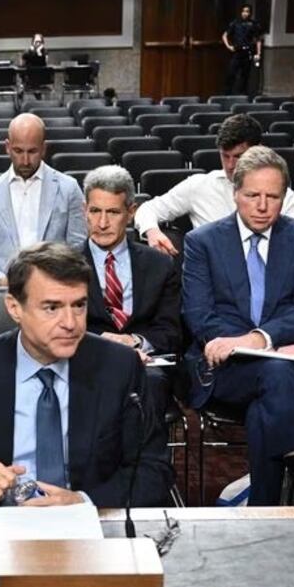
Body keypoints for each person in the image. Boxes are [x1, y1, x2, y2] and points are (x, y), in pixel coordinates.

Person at [0, 242, 174, 509]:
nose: (70, 323)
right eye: (52, 308)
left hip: (87, 520)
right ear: (14, 308)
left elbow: (154, 469)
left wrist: (82, 501)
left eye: (79, 305)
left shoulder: (119, 367)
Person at [181, 147, 294, 506]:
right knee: (276, 374)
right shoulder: (202, 242)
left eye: (272, 197)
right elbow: (200, 316)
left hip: (283, 371)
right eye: (252, 195)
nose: (262, 206)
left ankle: (263, 505)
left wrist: (259, 339)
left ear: (284, 197)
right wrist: (262, 345)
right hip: (224, 367)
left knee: (266, 406)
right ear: (235, 193)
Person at [80, 166, 181, 415]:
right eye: (95, 211)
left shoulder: (160, 265)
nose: (102, 223)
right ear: (85, 211)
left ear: (131, 212)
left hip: (145, 366)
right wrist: (102, 341)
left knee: (151, 383)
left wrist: (135, 342)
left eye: (113, 212)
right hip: (86, 359)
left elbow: (171, 331)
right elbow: (57, 326)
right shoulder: (64, 265)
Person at [133, 114, 294, 257]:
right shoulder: (199, 186)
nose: (230, 165)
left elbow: (293, 248)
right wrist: (152, 231)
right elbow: (147, 209)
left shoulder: (282, 196)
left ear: (258, 150)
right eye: (225, 156)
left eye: (238, 156)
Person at [0, 113, 86, 286]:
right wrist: (0, 280)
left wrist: (55, 277)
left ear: (43, 148)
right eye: (18, 151)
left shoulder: (69, 188)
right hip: (3, 289)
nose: (25, 160)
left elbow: (78, 246)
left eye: (32, 151)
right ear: (7, 147)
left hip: (55, 286)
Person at [222, 4, 263, 95]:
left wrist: (258, 53)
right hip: (237, 52)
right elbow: (224, 35)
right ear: (241, 12)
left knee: (245, 76)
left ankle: (242, 94)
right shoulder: (235, 23)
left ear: (250, 13)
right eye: (243, 11)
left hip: (247, 52)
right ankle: (228, 94)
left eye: (247, 11)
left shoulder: (254, 24)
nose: (245, 13)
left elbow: (258, 40)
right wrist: (229, 46)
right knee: (231, 73)